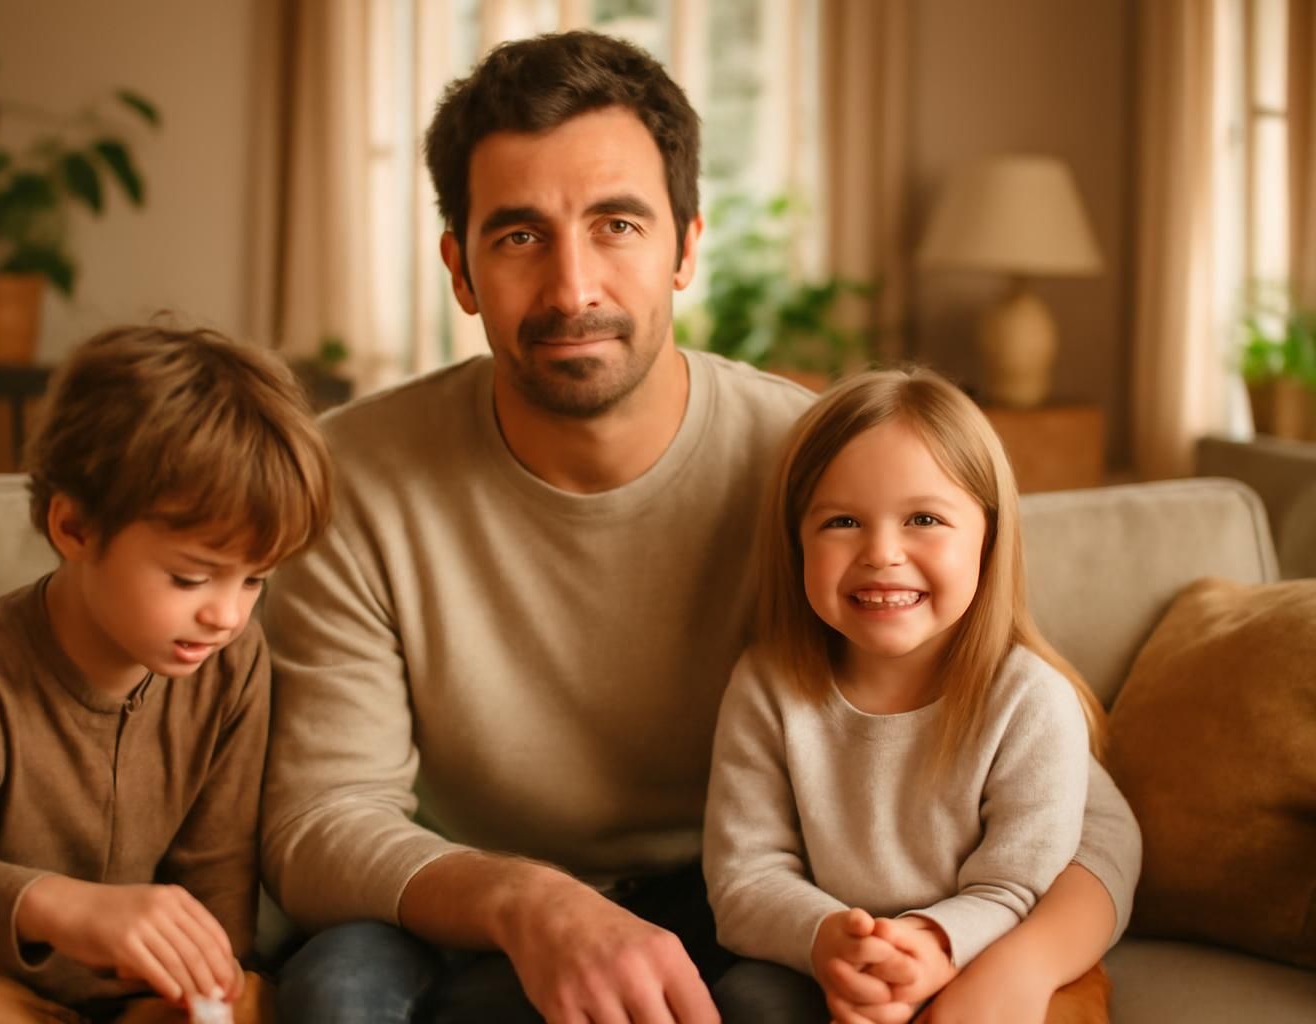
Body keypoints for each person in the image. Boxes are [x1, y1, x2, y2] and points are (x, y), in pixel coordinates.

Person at [261, 30, 1140, 1024]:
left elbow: (1081, 809)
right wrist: (531, 903)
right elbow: (320, 824)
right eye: (518, 236)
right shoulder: (349, 477)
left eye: (617, 225)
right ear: (460, 268)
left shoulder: (824, 475)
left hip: (742, 898)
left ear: (686, 246)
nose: (573, 288)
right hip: (460, 896)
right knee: (333, 995)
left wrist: (1007, 968)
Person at [0, 326, 332, 1023]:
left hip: (141, 992)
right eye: (190, 577)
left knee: (256, 1004)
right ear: (73, 528)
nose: (226, 615)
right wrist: (61, 906)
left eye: (255, 580)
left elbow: (218, 892)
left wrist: (208, 984)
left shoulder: (233, 663)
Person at [703, 368, 1114, 1024]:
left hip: (983, 949)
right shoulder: (767, 687)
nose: (882, 553)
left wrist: (933, 942)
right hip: (826, 955)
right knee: (746, 1004)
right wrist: (829, 938)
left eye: (924, 518)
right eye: (842, 521)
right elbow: (745, 878)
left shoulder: (1030, 700)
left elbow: (1018, 882)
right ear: (795, 542)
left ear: (988, 534)